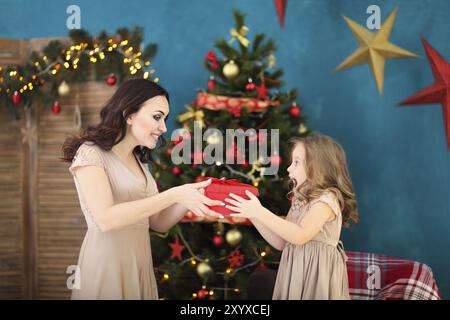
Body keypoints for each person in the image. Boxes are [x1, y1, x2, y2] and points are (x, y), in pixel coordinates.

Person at [62, 79, 224, 299]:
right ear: (129, 114)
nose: (164, 128)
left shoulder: (140, 161)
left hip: (139, 266)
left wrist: (189, 195)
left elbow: (158, 222)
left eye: (164, 119)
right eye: (157, 117)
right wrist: (174, 194)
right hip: (106, 267)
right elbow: (106, 219)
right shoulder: (90, 154)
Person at [225, 134, 359, 299]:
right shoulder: (300, 201)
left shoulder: (327, 199)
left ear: (318, 167)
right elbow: (282, 242)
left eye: (296, 162)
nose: (288, 168)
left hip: (316, 278)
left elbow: (300, 235)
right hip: (295, 274)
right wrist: (254, 215)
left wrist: (260, 212)